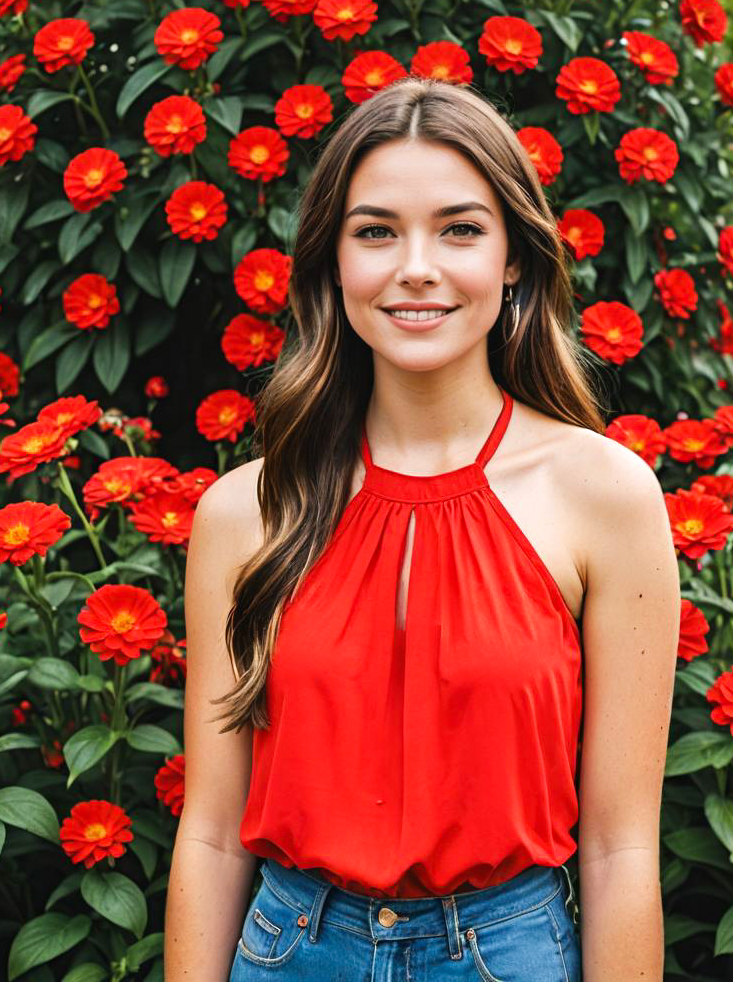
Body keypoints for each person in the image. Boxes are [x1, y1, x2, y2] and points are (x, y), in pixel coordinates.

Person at [165, 76, 680, 982]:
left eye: (460, 228)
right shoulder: (244, 513)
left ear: (515, 256)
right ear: (332, 261)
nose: (415, 266)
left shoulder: (606, 496)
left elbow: (619, 849)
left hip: (509, 954)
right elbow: (210, 835)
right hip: (289, 952)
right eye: (375, 231)